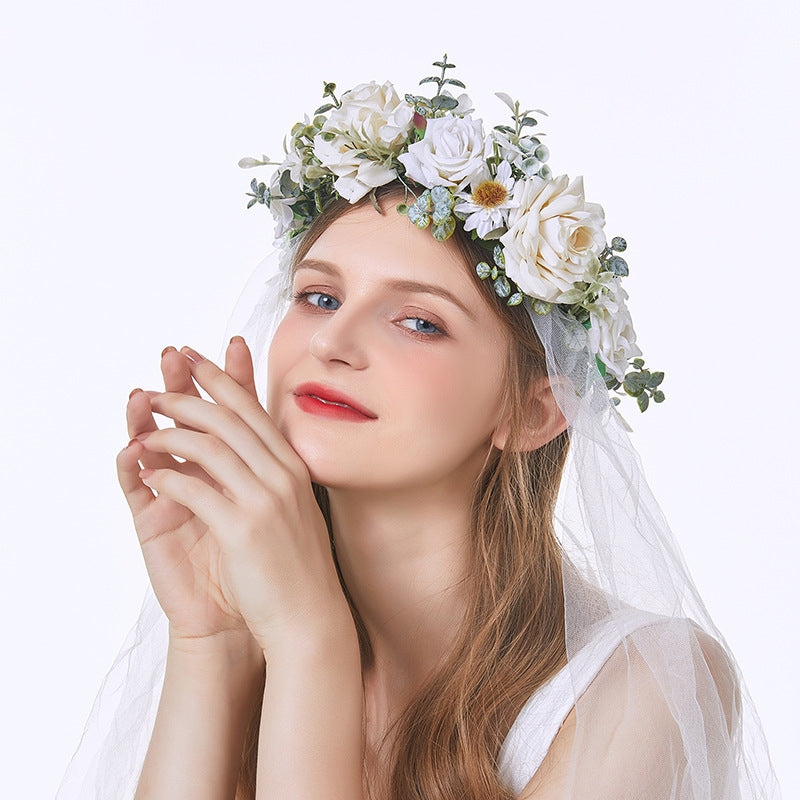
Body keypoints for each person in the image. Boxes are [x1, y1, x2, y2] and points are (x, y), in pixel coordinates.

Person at [56, 57, 781, 799]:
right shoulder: (255, 633)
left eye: (419, 322)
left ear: (532, 412)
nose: (333, 342)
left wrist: (312, 639)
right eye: (320, 297)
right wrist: (213, 642)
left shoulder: (646, 683)